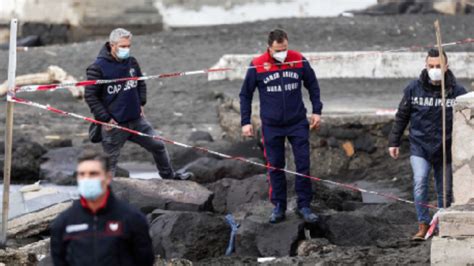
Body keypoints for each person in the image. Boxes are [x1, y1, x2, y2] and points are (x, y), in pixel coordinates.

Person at [239, 29, 323, 224]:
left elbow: (313, 85)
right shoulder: (257, 65)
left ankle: (304, 206)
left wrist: (317, 110)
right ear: (270, 47)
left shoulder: (298, 59)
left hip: (297, 122)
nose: (282, 52)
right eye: (278, 50)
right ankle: (279, 206)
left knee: (303, 165)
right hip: (271, 125)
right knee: (275, 167)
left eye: (284, 48)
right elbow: (245, 95)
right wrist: (245, 122)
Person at [84, 28, 191, 180]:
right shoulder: (97, 67)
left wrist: (141, 103)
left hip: (137, 120)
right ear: (112, 45)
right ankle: (104, 198)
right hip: (114, 125)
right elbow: (90, 96)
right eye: (123, 46)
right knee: (110, 164)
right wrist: (105, 118)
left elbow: (141, 83)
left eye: (128, 46)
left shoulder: (132, 62)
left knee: (158, 146)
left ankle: (169, 177)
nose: (126, 49)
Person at [388, 48, 467, 240]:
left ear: (446, 67)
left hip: (446, 148)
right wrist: (394, 141)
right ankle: (423, 225)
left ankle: (440, 224)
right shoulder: (413, 89)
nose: (434, 69)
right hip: (420, 146)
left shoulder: (457, 92)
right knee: (420, 181)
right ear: (426, 65)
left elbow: (466, 122)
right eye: (431, 66)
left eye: (438, 66)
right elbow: (402, 116)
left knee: (445, 190)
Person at [50, 150, 155, 265]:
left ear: (108, 177)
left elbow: (145, 260)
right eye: (82, 174)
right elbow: (59, 261)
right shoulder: (64, 222)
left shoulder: (132, 218)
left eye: (93, 174)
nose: (87, 179)